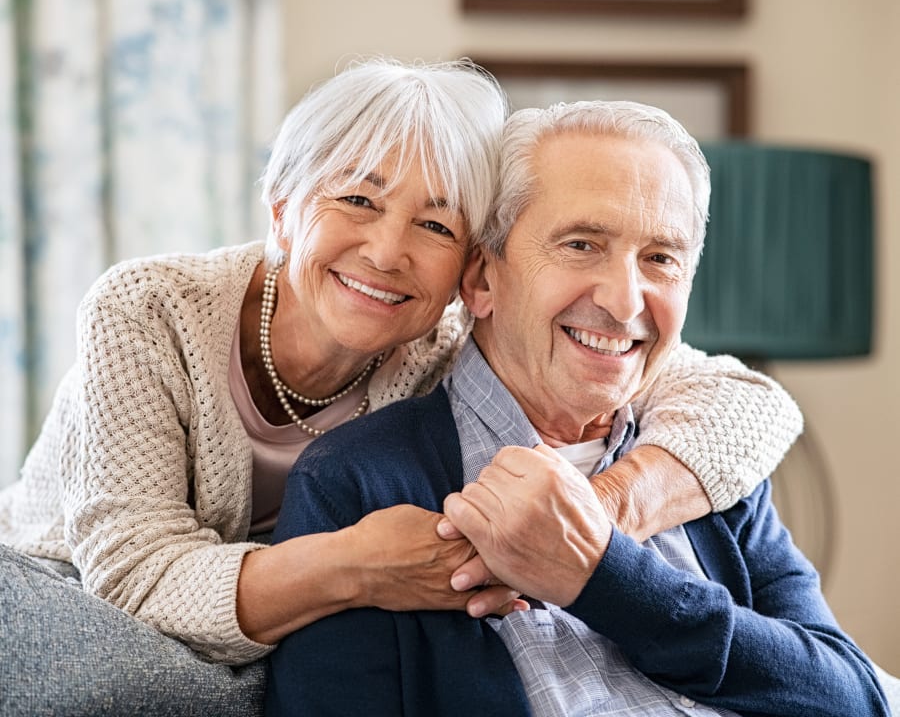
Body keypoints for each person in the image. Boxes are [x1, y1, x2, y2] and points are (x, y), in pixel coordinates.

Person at [0, 58, 801, 715]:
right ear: (282, 211)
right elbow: (132, 574)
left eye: (436, 224)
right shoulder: (147, 309)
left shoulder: (447, 338)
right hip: (75, 597)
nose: (388, 252)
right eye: (357, 200)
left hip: (271, 615)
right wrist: (352, 564)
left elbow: (748, 402)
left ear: (469, 270)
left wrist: (601, 511)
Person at [266, 99, 888, 717]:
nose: (624, 302)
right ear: (482, 279)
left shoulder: (701, 467)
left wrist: (602, 577)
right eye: (582, 244)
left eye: (660, 259)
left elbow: (855, 698)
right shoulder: (359, 482)